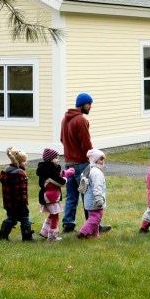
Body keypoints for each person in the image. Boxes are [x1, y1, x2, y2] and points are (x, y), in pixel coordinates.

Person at [59, 92, 94, 233]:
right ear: (83, 104)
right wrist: (93, 157)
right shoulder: (81, 120)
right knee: (88, 194)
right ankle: (92, 224)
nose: (90, 107)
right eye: (89, 104)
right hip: (81, 164)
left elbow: (62, 139)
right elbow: (86, 144)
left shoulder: (64, 119)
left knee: (71, 196)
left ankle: (68, 224)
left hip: (68, 164)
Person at [0, 146, 35, 242]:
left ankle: (2, 236)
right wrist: (24, 203)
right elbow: (21, 190)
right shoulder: (19, 174)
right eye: (24, 161)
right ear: (18, 162)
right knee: (25, 219)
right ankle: (27, 238)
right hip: (19, 203)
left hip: (9, 203)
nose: (26, 163)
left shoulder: (6, 172)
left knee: (11, 218)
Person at [35, 147, 69, 241]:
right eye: (56, 158)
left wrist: (63, 173)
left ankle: (45, 231)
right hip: (51, 197)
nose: (58, 160)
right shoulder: (50, 171)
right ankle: (52, 236)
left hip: (48, 196)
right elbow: (60, 182)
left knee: (52, 214)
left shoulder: (46, 169)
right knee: (55, 216)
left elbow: (56, 176)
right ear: (50, 159)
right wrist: (66, 177)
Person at [76, 148, 108, 239]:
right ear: (94, 160)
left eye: (103, 159)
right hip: (94, 200)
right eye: (101, 159)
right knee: (96, 218)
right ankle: (83, 232)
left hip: (89, 199)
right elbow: (97, 187)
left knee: (94, 217)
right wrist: (99, 199)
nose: (103, 161)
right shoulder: (96, 172)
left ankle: (94, 234)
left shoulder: (89, 169)